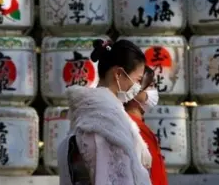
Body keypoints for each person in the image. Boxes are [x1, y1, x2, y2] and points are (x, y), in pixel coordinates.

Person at [57, 39, 153, 185]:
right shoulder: (108, 123)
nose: (138, 87)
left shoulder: (88, 115)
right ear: (119, 74)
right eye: (137, 80)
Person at [125, 66, 169, 185]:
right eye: (150, 86)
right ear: (135, 92)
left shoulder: (136, 125)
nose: (154, 91)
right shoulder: (134, 129)